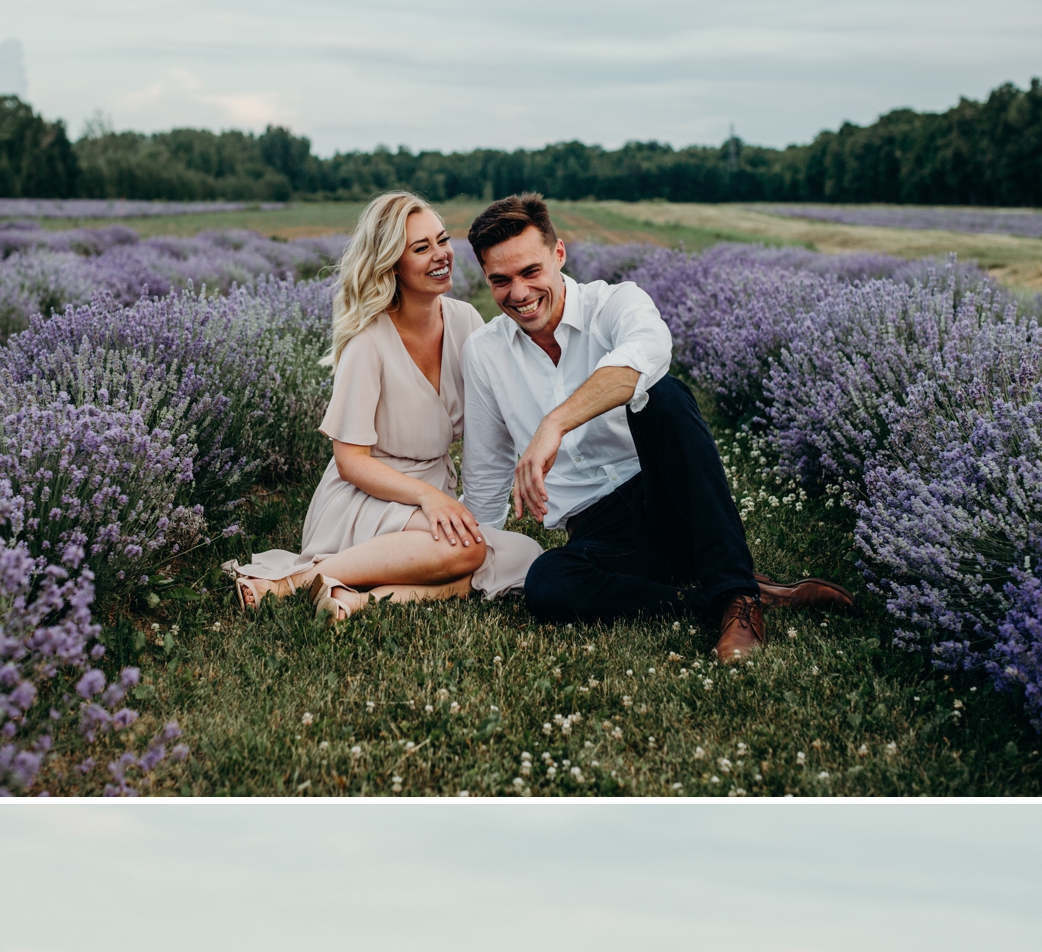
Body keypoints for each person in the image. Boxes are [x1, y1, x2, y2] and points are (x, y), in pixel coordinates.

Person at [458, 192, 851, 662]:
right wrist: (469, 558)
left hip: (674, 504)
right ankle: (718, 597)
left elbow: (646, 354)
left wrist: (554, 424)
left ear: (558, 254)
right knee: (547, 583)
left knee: (662, 395)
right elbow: (484, 474)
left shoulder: (614, 303)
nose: (518, 294)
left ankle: (739, 598)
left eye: (530, 272)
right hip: (601, 534)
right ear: (485, 278)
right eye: (500, 281)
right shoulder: (484, 352)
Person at [230, 192, 544, 621]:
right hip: (365, 499)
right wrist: (428, 497)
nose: (441, 256)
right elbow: (351, 463)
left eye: (442, 240)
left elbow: (495, 416)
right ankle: (289, 584)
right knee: (470, 549)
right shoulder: (368, 340)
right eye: (421, 248)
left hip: (432, 497)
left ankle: (353, 600)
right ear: (391, 264)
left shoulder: (467, 321)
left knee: (527, 555)